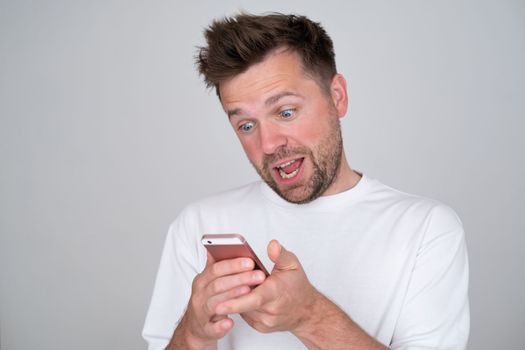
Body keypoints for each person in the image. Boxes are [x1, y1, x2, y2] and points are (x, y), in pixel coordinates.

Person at [142, 13, 469, 350]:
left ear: (337, 97)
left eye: (285, 112)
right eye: (246, 125)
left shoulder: (426, 229)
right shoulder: (198, 225)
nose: (268, 144)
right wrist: (194, 333)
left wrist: (309, 316)